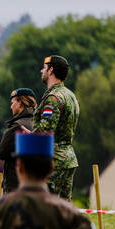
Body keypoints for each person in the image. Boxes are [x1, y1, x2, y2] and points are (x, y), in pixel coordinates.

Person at [32, 55, 80, 200]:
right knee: (64, 208)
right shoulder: (70, 95)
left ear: (51, 70)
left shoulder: (53, 98)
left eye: (44, 68)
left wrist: (29, 136)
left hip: (53, 161)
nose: (41, 71)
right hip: (67, 158)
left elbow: (45, 131)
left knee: (47, 208)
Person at [0, 88, 37, 195]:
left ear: (20, 103)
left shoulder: (17, 126)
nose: (11, 106)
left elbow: (2, 152)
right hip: (35, 181)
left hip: (15, 183)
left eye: (13, 102)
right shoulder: (39, 123)